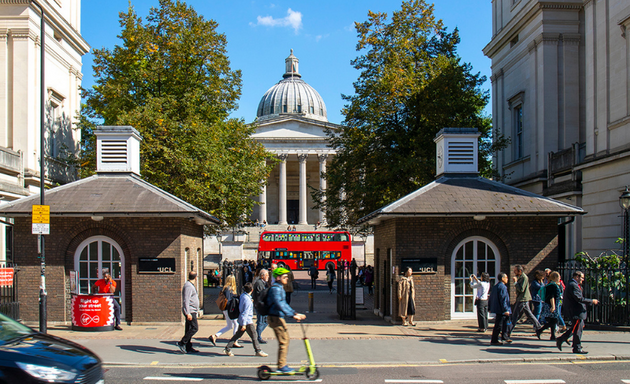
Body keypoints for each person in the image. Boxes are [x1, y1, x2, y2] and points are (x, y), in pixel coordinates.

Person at [267, 267, 306, 373]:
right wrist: (293, 315)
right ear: (278, 278)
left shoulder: (280, 288)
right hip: (274, 318)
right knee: (284, 341)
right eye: (285, 277)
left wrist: (295, 313)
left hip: (278, 317)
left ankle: (282, 364)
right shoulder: (275, 289)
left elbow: (284, 304)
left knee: (285, 339)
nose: (287, 279)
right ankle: (281, 366)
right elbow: (280, 304)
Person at [556, 271, 599, 354]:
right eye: (582, 278)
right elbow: (579, 298)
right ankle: (576, 347)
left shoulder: (573, 284)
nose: (582, 280)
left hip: (576, 311)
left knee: (576, 328)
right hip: (576, 311)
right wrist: (592, 301)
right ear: (577, 277)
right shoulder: (573, 285)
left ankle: (562, 339)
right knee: (577, 330)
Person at [223, 282, 269, 357]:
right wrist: (244, 324)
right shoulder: (247, 300)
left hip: (243, 320)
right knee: (254, 335)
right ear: (252, 290)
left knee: (237, 335)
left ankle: (227, 348)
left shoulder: (243, 296)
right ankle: (258, 350)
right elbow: (245, 312)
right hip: (247, 321)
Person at [508, 265, 541, 337]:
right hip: (522, 299)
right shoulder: (520, 277)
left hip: (523, 299)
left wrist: (515, 283)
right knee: (528, 314)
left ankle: (508, 331)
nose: (514, 272)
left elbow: (521, 289)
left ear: (520, 271)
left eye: (515, 270)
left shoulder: (524, 277)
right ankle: (538, 327)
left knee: (515, 316)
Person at [208, 275, 242, 347]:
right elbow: (229, 300)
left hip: (226, 309)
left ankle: (215, 336)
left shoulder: (226, 289)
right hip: (229, 309)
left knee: (229, 326)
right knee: (236, 324)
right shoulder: (229, 289)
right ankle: (235, 341)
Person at [536, 271, 562, 340]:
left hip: (551, 304)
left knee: (552, 320)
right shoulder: (552, 285)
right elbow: (551, 296)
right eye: (559, 277)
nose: (560, 278)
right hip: (551, 305)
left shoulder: (552, 284)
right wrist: (553, 306)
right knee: (554, 320)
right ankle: (539, 330)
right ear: (555, 277)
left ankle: (552, 335)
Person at [178, 271, 199, 354]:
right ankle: (182, 342)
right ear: (196, 277)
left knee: (188, 329)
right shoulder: (188, 286)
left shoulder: (190, 285)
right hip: (190, 311)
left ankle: (188, 347)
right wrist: (188, 313)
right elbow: (186, 300)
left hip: (192, 310)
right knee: (195, 328)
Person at [489, 272, 512, 345]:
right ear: (502, 278)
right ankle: (494, 340)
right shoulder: (503, 287)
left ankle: (504, 337)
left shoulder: (496, 286)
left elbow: (491, 297)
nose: (507, 279)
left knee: (503, 323)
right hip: (501, 309)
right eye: (506, 277)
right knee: (499, 325)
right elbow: (503, 299)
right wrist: (505, 309)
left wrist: (490, 306)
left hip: (497, 308)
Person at [253, 269, 269, 345]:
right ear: (262, 276)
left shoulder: (263, 283)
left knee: (265, 321)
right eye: (267, 275)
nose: (268, 277)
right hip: (260, 305)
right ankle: (257, 336)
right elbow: (260, 295)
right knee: (261, 321)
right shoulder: (259, 283)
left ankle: (256, 334)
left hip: (263, 305)